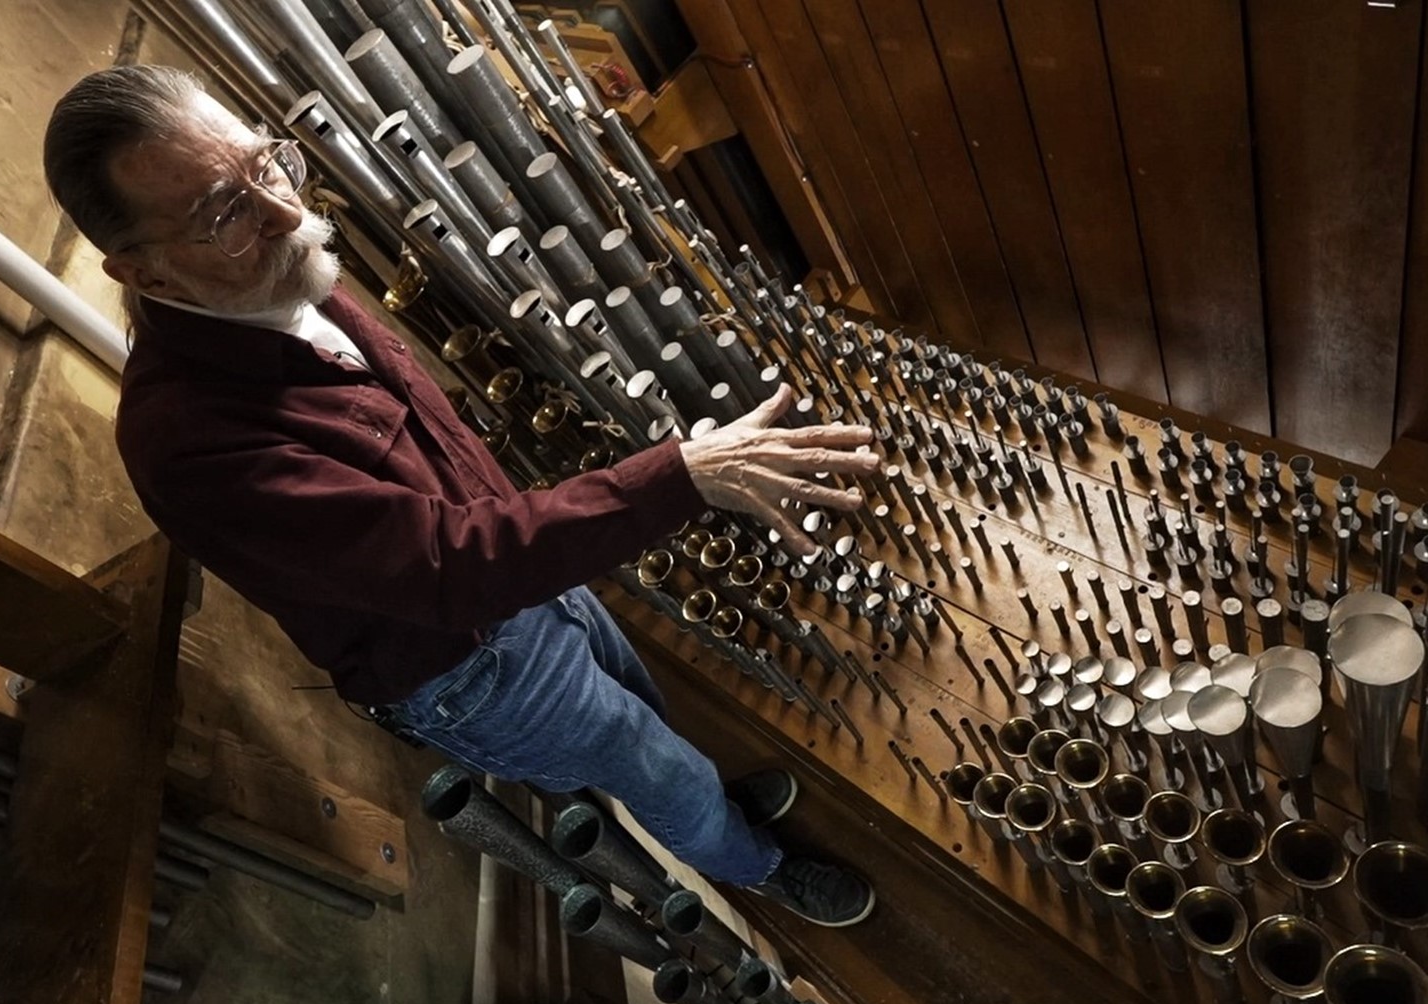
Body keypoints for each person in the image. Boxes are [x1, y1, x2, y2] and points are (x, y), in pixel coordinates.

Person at [43, 65, 881, 926]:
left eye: (267, 164)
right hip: (465, 667)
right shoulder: (189, 445)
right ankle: (758, 867)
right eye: (224, 212)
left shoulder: (275, 272)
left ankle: (703, 797)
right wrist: (683, 475)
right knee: (641, 757)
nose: (286, 212)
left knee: (637, 711)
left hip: (522, 575)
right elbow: (445, 566)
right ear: (144, 273)